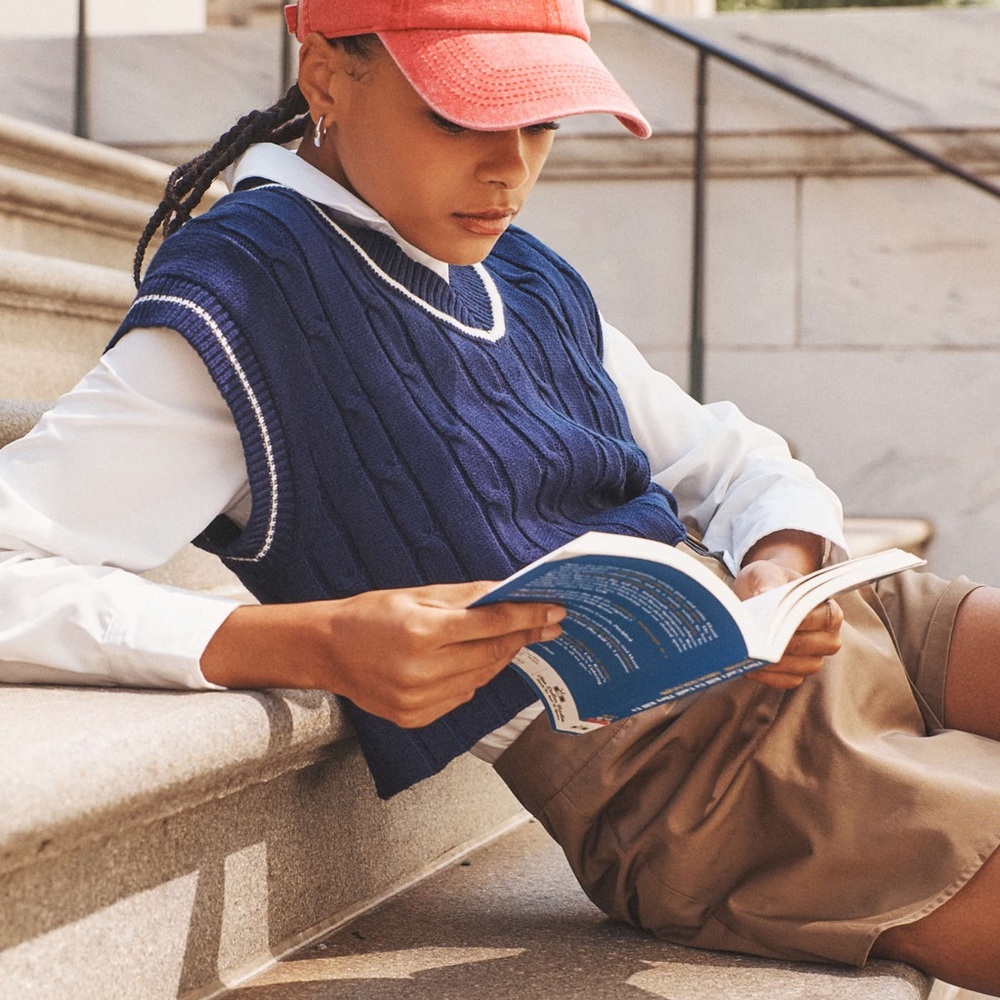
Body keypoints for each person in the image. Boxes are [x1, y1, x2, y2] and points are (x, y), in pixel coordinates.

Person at [1, 0, 999, 991]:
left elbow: (729, 456)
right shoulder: (244, 296)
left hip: (840, 633)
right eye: (460, 116)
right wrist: (316, 642)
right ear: (326, 76)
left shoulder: (517, 269)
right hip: (697, 780)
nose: (510, 169)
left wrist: (779, 568)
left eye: (540, 120)